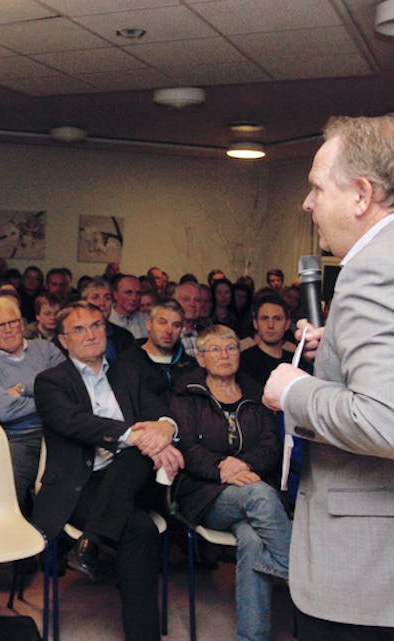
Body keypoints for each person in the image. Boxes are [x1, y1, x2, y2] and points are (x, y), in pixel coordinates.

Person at [263, 115, 394, 640]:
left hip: (364, 570)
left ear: (361, 194)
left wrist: (296, 390)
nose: (307, 203)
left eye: (318, 186)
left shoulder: (372, 270)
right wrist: (335, 350)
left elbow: (386, 419)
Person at [33, 301, 183, 641]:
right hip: (81, 485)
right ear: (62, 340)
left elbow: (160, 409)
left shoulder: (127, 370)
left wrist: (165, 428)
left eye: (97, 325)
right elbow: (74, 423)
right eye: (79, 329)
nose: (91, 334)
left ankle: (91, 541)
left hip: (137, 479)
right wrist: (137, 436)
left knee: (130, 458)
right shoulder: (50, 382)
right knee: (140, 530)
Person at [170, 324, 290, 641]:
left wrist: (245, 463)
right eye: (215, 349)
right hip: (205, 495)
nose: (225, 355)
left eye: (232, 347)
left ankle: (251, 637)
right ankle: (301, 574)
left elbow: (270, 444)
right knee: (261, 495)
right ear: (201, 358)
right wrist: (221, 467)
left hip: (249, 483)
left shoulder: (255, 393)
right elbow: (185, 446)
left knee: (253, 538)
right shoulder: (186, 393)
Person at [0, 296, 65, 513]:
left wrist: (22, 388)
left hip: (58, 432)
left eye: (12, 322)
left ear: (21, 324)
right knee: (8, 486)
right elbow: (4, 410)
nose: (8, 330)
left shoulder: (47, 349)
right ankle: (15, 537)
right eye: (0, 325)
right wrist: (48, 395)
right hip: (18, 440)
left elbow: (67, 391)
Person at [116, 299, 198, 401]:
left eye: (176, 325)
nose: (169, 330)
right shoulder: (128, 361)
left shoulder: (190, 365)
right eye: (162, 323)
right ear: (149, 324)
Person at [109, 274, 148, 339]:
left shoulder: (146, 319)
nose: (134, 298)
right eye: (128, 293)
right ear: (115, 294)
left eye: (138, 293)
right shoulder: (107, 320)